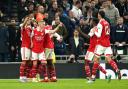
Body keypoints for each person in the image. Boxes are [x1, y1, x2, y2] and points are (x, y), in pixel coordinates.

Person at [90, 11, 121, 83]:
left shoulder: (100, 24)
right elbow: (107, 33)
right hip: (107, 43)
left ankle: (93, 77)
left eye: (98, 14)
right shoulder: (107, 23)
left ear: (99, 15)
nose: (97, 15)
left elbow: (99, 35)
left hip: (101, 44)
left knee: (95, 60)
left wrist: (95, 31)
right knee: (109, 59)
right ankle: (117, 70)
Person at [78, 18, 111, 83]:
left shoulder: (94, 29)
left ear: (93, 22)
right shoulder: (99, 28)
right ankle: (107, 74)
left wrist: (80, 31)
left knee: (86, 62)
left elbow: (88, 37)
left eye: (91, 21)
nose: (90, 22)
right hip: (98, 47)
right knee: (96, 63)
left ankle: (90, 78)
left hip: (92, 48)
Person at [19, 17, 32, 82]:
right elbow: (23, 25)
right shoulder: (23, 27)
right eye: (28, 20)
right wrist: (25, 20)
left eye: (29, 20)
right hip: (24, 47)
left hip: (29, 47)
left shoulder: (30, 29)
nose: (29, 21)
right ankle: (21, 77)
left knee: (28, 62)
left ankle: (25, 76)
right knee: (24, 61)